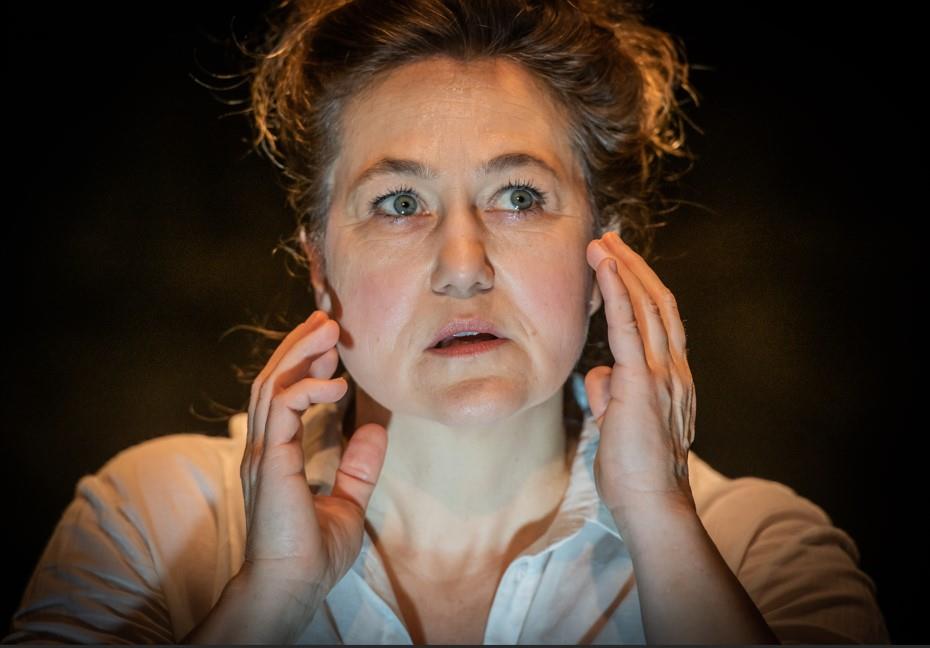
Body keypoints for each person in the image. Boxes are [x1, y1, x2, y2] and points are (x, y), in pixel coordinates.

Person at [4, 0, 890, 644]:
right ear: (320, 267)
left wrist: (660, 521)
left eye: (519, 196)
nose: (463, 265)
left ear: (605, 258)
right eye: (399, 202)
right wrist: (267, 598)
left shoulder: (760, 548)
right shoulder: (152, 522)